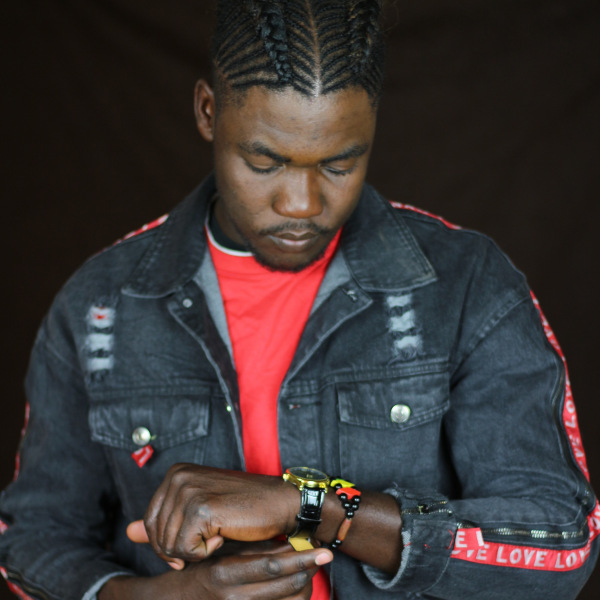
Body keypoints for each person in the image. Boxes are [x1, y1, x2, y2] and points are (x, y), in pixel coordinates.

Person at [0, 1, 598, 598]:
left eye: (339, 164)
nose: (301, 204)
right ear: (208, 111)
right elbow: (31, 538)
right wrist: (157, 597)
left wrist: (310, 507)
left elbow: (561, 544)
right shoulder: (100, 307)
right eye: (264, 162)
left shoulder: (466, 285)